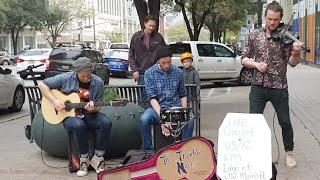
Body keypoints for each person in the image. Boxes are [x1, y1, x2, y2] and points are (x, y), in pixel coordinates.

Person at [241, 1, 302, 168]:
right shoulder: (254, 36)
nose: (272, 23)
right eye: (269, 19)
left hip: (279, 87)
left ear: (280, 19)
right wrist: (256, 65)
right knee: (253, 122)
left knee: (285, 122)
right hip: (258, 86)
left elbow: (293, 62)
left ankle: (289, 152)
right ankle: (254, 154)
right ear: (265, 17)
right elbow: (244, 58)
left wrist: (296, 52)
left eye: (276, 19)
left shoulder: (287, 37)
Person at [38, 57, 112, 177]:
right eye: (83, 76)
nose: (86, 78)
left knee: (106, 122)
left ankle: (98, 158)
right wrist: (55, 101)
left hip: (89, 114)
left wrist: (94, 108)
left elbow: (98, 105)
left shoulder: (97, 82)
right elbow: (42, 85)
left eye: (89, 75)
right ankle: (83, 160)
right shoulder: (66, 78)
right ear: (76, 72)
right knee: (78, 125)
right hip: (68, 117)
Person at [140, 45, 188, 151]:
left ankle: (185, 148)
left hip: (175, 108)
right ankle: (149, 150)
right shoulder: (149, 73)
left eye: (169, 62)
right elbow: (152, 98)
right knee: (144, 119)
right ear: (158, 61)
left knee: (190, 119)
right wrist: (163, 118)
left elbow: (182, 94)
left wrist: (184, 112)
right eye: (163, 63)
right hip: (158, 109)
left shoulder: (178, 72)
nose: (166, 65)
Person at [128, 14, 166, 85]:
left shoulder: (158, 37)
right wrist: (134, 70)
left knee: (156, 95)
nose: (151, 28)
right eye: (150, 25)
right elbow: (131, 54)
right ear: (145, 24)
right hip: (141, 73)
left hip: (156, 72)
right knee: (142, 95)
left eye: (153, 26)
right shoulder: (136, 37)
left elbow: (165, 52)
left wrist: (160, 64)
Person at [180, 52, 200, 139]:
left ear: (191, 62)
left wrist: (197, 96)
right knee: (183, 117)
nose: (186, 63)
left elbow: (197, 85)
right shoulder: (181, 72)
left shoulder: (194, 72)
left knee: (191, 116)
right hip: (183, 98)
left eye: (188, 61)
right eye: (184, 62)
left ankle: (190, 136)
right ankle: (184, 136)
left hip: (192, 98)